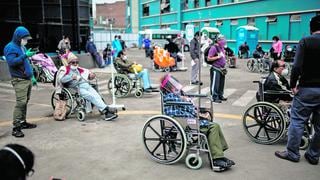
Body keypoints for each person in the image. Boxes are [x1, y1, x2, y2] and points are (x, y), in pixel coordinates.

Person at [160, 74, 235, 171]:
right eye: (173, 85)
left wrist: (191, 105)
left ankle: (218, 154)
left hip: (186, 118)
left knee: (214, 126)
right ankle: (216, 158)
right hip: (184, 121)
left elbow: (187, 106)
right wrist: (196, 111)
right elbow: (187, 107)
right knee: (213, 127)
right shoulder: (170, 96)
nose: (176, 86)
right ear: (169, 87)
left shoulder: (176, 95)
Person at [275, 15, 320, 165]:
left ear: (311, 28)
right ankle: (313, 155)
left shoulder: (306, 41)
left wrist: (293, 84)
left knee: (298, 121)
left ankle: (293, 153)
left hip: (307, 88)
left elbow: (296, 66)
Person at [59, 53, 118, 121]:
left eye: (77, 62)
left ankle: (106, 110)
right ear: (69, 63)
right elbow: (62, 80)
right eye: (73, 62)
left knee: (97, 96)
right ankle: (106, 110)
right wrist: (72, 77)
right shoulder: (65, 70)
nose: (75, 64)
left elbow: (87, 72)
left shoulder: (78, 69)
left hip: (86, 85)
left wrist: (91, 75)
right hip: (78, 88)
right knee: (91, 96)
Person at [3, 26, 38, 138]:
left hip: (26, 79)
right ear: (18, 37)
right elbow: (12, 62)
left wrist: (32, 76)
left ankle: (23, 122)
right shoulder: (10, 47)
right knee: (21, 103)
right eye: (25, 38)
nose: (26, 41)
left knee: (25, 101)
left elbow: (26, 63)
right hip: (19, 80)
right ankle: (16, 127)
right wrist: (25, 55)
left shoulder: (21, 47)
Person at [207, 34, 228, 103]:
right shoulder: (214, 48)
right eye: (222, 40)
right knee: (215, 84)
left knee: (221, 83)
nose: (224, 41)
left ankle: (220, 95)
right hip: (216, 68)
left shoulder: (222, 48)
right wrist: (218, 57)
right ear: (218, 40)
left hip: (222, 69)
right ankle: (214, 97)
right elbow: (209, 58)